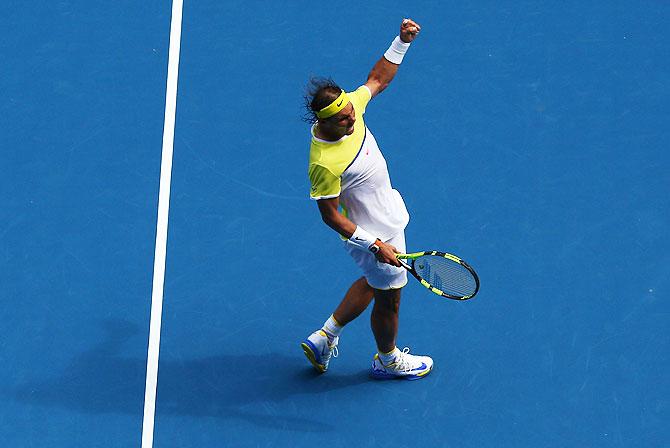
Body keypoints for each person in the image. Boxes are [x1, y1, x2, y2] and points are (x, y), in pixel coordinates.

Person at [301, 18, 433, 380]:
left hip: (386, 218)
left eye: (351, 112)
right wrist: (374, 243)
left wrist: (402, 41)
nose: (352, 118)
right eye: (344, 119)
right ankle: (388, 360)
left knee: (376, 283)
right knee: (390, 297)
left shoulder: (350, 108)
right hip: (369, 231)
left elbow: (378, 79)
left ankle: (325, 336)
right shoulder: (324, 163)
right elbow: (330, 216)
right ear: (324, 122)